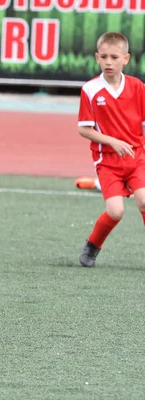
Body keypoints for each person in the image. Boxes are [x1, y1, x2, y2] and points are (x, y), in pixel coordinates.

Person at [77, 32, 145, 267]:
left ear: (125, 59)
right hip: (107, 161)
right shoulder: (90, 90)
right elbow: (84, 130)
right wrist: (112, 141)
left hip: (136, 158)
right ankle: (93, 245)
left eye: (114, 57)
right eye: (103, 56)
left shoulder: (137, 87)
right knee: (115, 212)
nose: (108, 62)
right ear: (97, 57)